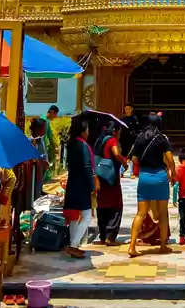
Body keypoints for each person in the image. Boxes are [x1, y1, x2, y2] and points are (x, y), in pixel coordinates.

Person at [127, 113, 176, 258]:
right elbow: (170, 159)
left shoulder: (140, 138)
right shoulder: (162, 139)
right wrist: (173, 174)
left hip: (144, 177)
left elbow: (134, 159)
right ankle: (162, 245)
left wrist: (143, 165)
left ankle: (132, 246)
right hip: (160, 177)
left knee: (140, 213)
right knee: (162, 213)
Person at [62, 115, 97, 258]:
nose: (88, 133)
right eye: (87, 130)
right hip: (81, 185)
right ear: (82, 131)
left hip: (73, 183)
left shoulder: (71, 144)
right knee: (87, 216)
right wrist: (91, 185)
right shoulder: (82, 146)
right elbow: (87, 168)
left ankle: (73, 245)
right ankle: (73, 245)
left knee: (75, 217)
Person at [94, 120, 126, 246]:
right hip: (111, 178)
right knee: (115, 206)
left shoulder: (99, 140)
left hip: (100, 177)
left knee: (101, 206)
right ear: (114, 131)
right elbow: (116, 154)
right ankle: (110, 237)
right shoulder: (112, 140)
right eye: (119, 132)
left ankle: (102, 235)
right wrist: (123, 161)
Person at [45, 105, 61, 174]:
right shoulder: (44, 121)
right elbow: (50, 137)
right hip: (43, 147)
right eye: (55, 114)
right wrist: (55, 147)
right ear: (51, 112)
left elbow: (50, 136)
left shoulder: (47, 121)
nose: (55, 116)